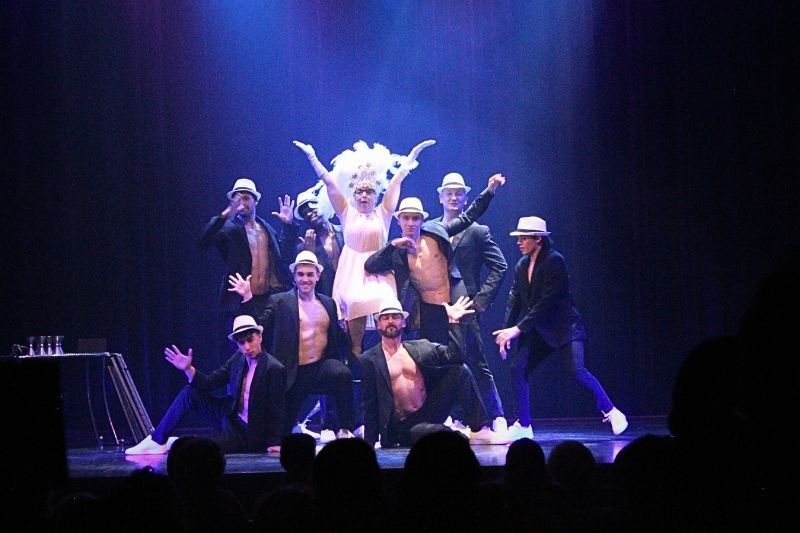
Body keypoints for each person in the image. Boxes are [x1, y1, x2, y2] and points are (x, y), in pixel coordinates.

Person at [292, 139, 435, 355]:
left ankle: (391, 354)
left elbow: (396, 182)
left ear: (376, 195)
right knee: (355, 304)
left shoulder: (384, 213)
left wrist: (412, 157)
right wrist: (313, 158)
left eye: (369, 192)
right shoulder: (346, 212)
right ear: (354, 195)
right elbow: (329, 183)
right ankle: (356, 355)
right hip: (352, 270)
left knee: (389, 303)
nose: (364, 196)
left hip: (379, 269)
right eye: (360, 192)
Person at [493, 216, 628, 439]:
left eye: (524, 238)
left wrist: (517, 329)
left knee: (577, 370)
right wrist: (506, 331)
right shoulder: (522, 265)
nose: (519, 242)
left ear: (538, 239)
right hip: (538, 329)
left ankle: (612, 411)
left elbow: (547, 302)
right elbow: (515, 298)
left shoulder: (555, 261)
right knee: (518, 368)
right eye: (519, 238)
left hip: (565, 328)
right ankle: (524, 425)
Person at [364, 174, 506, 348]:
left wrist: (490, 190)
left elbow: (468, 217)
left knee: (467, 353)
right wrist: (392, 245)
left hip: (455, 302)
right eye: (406, 218)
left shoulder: (435, 233)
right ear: (398, 220)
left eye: (415, 218)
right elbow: (370, 265)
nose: (410, 223)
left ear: (422, 220)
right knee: (432, 355)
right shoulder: (397, 252)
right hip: (428, 311)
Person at [229, 251, 355, 441]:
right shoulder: (279, 301)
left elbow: (336, 338)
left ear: (318, 276)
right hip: (292, 372)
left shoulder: (328, 303)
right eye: (301, 274)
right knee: (282, 433)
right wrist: (248, 298)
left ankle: (344, 427)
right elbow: (259, 326)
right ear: (294, 277)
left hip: (320, 367)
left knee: (342, 373)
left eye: (310, 274)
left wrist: (346, 330)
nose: (305, 279)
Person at [360, 297, 510, 447]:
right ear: (378, 324)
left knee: (459, 370)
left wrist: (454, 322)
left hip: (429, 410)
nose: (390, 321)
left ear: (403, 322)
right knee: (442, 433)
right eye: (385, 318)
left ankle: (479, 431)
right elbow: (370, 405)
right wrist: (368, 445)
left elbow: (455, 357)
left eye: (395, 317)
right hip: (403, 427)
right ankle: (458, 436)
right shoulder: (370, 359)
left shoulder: (420, 347)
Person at [125, 315, 286, 454]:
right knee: (190, 392)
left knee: (204, 450)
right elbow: (211, 382)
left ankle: (174, 443)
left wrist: (275, 441)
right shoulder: (238, 358)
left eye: (250, 340)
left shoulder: (274, 368)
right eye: (241, 343)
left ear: (260, 337)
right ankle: (157, 440)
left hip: (247, 431)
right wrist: (188, 369)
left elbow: (277, 409)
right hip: (229, 415)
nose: (247, 347)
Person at [435, 172, 508, 431]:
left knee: (475, 359)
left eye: (459, 194)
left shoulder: (476, 230)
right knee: (445, 360)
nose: (454, 198)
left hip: (466, 304)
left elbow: (499, 265)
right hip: (439, 305)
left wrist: (480, 300)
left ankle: (497, 415)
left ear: (466, 198)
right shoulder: (432, 228)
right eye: (449, 193)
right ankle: (454, 415)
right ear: (440, 197)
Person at [198, 177, 295, 331]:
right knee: (243, 344)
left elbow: (284, 257)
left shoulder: (267, 229)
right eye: (237, 199)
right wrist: (226, 214)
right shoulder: (228, 228)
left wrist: (288, 226)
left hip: (267, 299)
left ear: (255, 201)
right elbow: (203, 242)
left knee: (268, 342)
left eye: (246, 198)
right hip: (239, 300)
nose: (241, 203)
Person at [291, 181, 344, 298]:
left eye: (312, 209)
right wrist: (309, 254)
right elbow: (302, 280)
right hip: (326, 298)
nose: (309, 214)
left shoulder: (345, 231)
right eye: (305, 214)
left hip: (350, 290)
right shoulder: (304, 245)